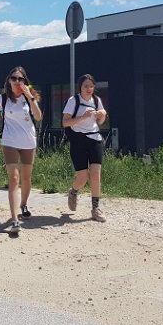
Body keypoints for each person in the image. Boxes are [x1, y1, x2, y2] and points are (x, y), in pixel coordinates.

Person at [0, 66, 43, 234]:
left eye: (21, 79)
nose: (17, 81)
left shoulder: (29, 98)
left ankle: (23, 205)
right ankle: (14, 220)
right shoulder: (2, 99)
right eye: (14, 78)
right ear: (9, 81)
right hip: (10, 141)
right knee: (13, 178)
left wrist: (29, 96)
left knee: (26, 177)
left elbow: (38, 117)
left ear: (25, 81)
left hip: (28, 141)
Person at [62, 74, 108, 223]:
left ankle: (95, 208)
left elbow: (100, 122)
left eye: (91, 86)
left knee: (95, 173)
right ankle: (73, 191)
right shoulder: (73, 101)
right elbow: (65, 122)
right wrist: (83, 117)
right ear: (80, 88)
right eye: (86, 86)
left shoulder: (97, 100)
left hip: (95, 139)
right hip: (78, 140)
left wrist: (102, 114)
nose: (89, 89)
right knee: (82, 178)